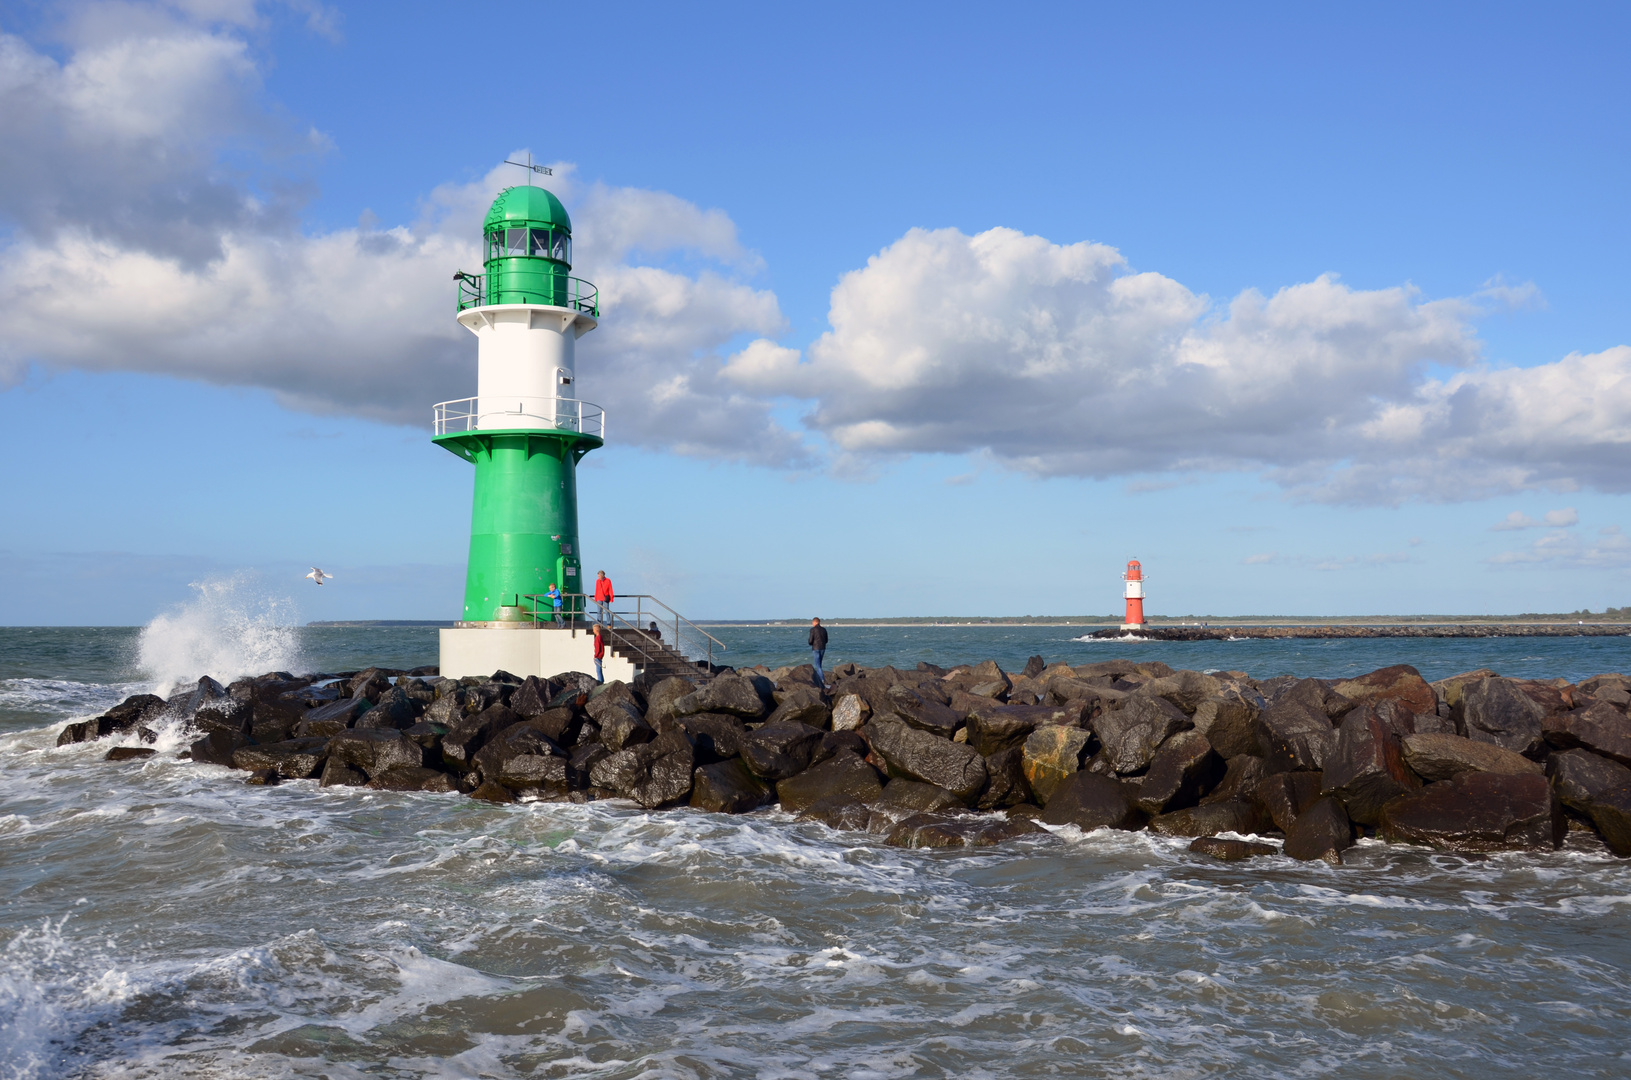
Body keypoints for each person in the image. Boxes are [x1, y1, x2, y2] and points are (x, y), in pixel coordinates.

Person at [808, 616, 829, 688]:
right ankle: (819, 679)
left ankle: (822, 680)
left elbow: (810, 640)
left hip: (816, 648)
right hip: (823, 648)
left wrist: (810, 643)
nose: (812, 624)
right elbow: (826, 640)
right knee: (819, 664)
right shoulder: (824, 630)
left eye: (813, 622)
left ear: (815, 622)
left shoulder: (813, 630)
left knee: (818, 665)